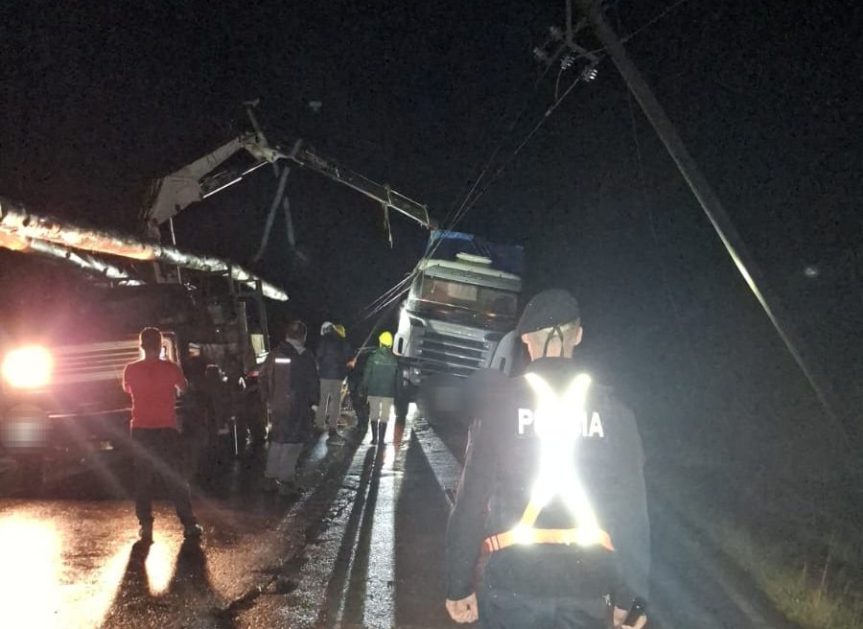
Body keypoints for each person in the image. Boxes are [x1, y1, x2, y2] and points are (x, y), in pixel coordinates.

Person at [445, 290, 650, 628]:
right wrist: (632, 596)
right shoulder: (616, 414)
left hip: (513, 583)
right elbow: (633, 511)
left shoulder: (498, 409)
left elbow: (470, 502)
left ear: (525, 338)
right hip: (588, 586)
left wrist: (458, 584)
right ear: (579, 334)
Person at [122, 327, 202, 542]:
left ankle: (146, 526)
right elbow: (184, 389)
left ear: (141, 345)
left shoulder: (130, 369)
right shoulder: (171, 369)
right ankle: (189, 524)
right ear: (159, 346)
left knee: (143, 480)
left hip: (140, 429)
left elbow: (128, 390)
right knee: (175, 477)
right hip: (167, 429)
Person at [259, 320, 320, 496]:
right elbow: (313, 382)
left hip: (277, 407)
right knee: (293, 443)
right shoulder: (306, 356)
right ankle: (285, 482)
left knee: (277, 441)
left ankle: (270, 479)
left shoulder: (274, 355)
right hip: (298, 407)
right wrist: (315, 403)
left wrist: (267, 399)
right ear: (303, 337)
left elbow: (262, 376)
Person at [361, 331, 399, 445]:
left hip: (374, 391)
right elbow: (396, 378)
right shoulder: (394, 359)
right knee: (384, 416)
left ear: (380, 342)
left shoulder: (373, 357)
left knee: (374, 414)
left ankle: (374, 439)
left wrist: (363, 387)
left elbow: (367, 374)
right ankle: (382, 440)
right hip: (388, 392)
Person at [316, 321, 353, 438]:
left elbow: (319, 355)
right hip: (337, 376)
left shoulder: (324, 341)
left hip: (324, 375)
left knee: (323, 400)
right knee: (336, 402)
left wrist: (321, 367)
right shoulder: (343, 342)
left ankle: (320, 425)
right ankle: (332, 427)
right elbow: (348, 357)